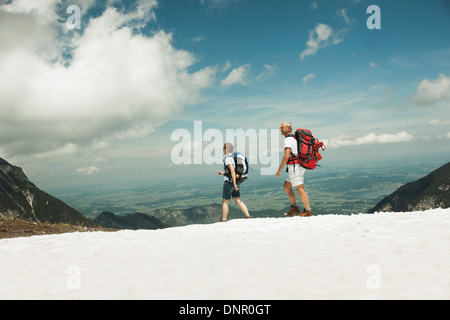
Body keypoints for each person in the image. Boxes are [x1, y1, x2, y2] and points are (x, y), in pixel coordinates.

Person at [276, 122, 313, 217]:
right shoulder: (293, 138)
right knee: (286, 186)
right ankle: (294, 208)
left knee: (299, 188)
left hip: (294, 167)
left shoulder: (288, 140)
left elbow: (286, 156)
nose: (281, 129)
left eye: (282, 127)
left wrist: (279, 170)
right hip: (297, 166)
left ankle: (308, 211)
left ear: (288, 128)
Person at [217, 143, 251, 222]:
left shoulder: (227, 158)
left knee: (225, 201)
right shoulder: (233, 157)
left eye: (223, 148)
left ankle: (224, 219)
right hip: (236, 180)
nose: (223, 150)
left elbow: (232, 170)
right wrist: (223, 173)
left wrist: (234, 183)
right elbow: (233, 171)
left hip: (229, 182)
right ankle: (248, 215)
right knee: (237, 199)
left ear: (226, 149)